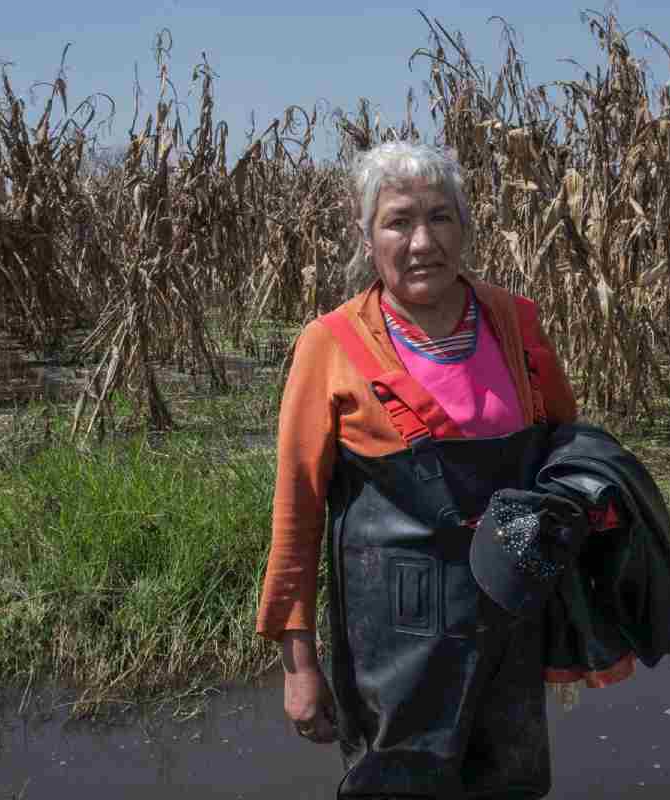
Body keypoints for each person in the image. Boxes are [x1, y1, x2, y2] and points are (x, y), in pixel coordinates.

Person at [255, 140, 578, 799]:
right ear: (368, 236)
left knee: (509, 784)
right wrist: (299, 665)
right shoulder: (331, 346)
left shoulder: (515, 325)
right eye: (399, 220)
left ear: (465, 225)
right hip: (392, 649)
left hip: (507, 635)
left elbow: (564, 462)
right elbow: (298, 511)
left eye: (441, 217)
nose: (422, 241)